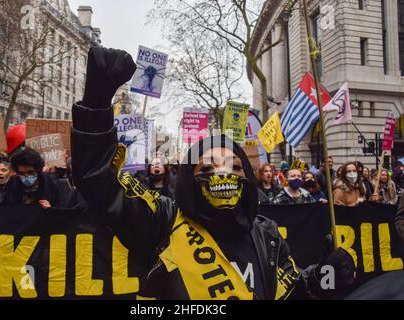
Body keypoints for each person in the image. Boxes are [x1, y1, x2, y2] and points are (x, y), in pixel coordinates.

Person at [71, 47, 355, 300]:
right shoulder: (163, 220)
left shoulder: (266, 235)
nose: (223, 174)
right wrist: (95, 105)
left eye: (234, 167)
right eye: (207, 168)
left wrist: (321, 281)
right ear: (188, 180)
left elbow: (294, 291)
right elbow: (98, 182)